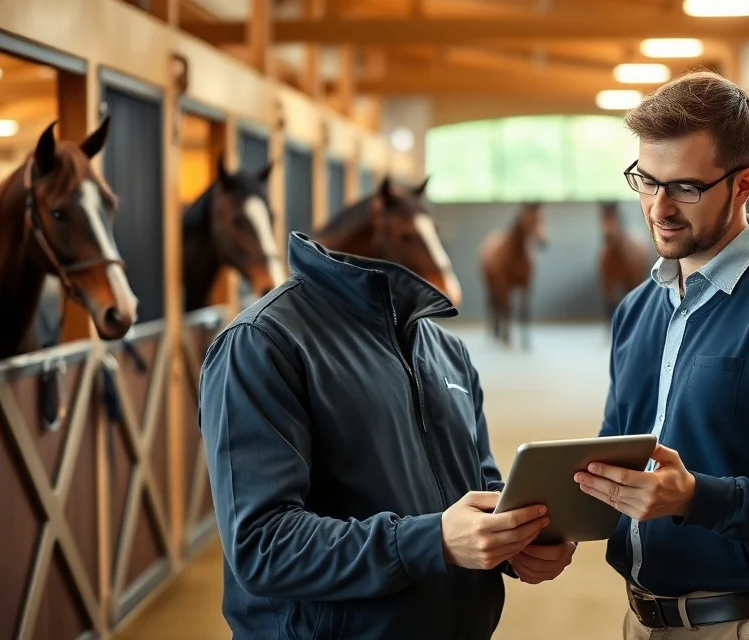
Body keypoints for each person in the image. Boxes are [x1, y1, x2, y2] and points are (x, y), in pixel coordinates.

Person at [573, 71, 749, 639]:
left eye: (685, 187)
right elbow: (615, 459)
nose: (659, 207)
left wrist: (697, 497)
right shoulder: (638, 308)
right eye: (645, 181)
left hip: (742, 627)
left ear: (742, 184)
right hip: (639, 622)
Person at [197, 231, 577, 639]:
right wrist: (432, 541)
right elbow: (262, 546)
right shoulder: (261, 343)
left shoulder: (446, 350)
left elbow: (477, 486)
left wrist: (515, 541)